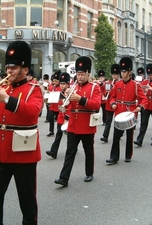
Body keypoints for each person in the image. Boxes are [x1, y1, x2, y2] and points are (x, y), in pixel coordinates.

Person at [0, 41, 43, 225]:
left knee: (27, 202)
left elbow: (33, 113)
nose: (9, 71)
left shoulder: (34, 89)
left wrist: (7, 99)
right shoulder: (4, 88)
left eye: (13, 67)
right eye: (7, 67)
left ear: (24, 68)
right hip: (2, 154)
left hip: (24, 154)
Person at [54, 56, 101, 187]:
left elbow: (96, 105)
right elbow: (70, 106)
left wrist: (80, 99)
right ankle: (64, 178)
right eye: (78, 74)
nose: (79, 77)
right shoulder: (73, 87)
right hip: (73, 124)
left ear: (88, 74)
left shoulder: (94, 88)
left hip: (86, 124)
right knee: (70, 151)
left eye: (82, 74)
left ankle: (89, 172)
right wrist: (66, 101)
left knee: (88, 150)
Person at [106, 57, 147, 165]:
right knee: (116, 136)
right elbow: (112, 97)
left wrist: (140, 107)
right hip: (119, 112)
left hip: (130, 113)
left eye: (124, 71)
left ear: (129, 72)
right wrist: (113, 103)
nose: (122, 73)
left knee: (129, 136)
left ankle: (128, 155)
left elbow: (144, 99)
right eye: (121, 71)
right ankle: (114, 157)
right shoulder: (117, 84)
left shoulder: (135, 85)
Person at [46, 72, 71, 159]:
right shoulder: (59, 93)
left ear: (68, 84)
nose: (62, 85)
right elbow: (60, 106)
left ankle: (71, 150)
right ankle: (53, 151)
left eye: (64, 84)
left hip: (69, 118)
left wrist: (67, 118)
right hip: (61, 117)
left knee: (71, 136)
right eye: (61, 83)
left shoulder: (72, 93)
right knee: (58, 134)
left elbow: (71, 107)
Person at [100, 64, 121, 143]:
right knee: (108, 121)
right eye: (113, 74)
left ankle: (119, 134)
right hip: (109, 104)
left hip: (117, 105)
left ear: (118, 75)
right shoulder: (109, 83)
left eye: (116, 75)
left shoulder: (120, 83)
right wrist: (107, 92)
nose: (114, 76)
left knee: (118, 121)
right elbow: (105, 93)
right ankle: (105, 136)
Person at [47, 71, 61, 137]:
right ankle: (51, 131)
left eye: (56, 81)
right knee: (50, 118)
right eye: (54, 81)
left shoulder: (61, 87)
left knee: (59, 119)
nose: (54, 82)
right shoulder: (52, 87)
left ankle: (60, 130)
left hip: (59, 106)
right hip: (52, 105)